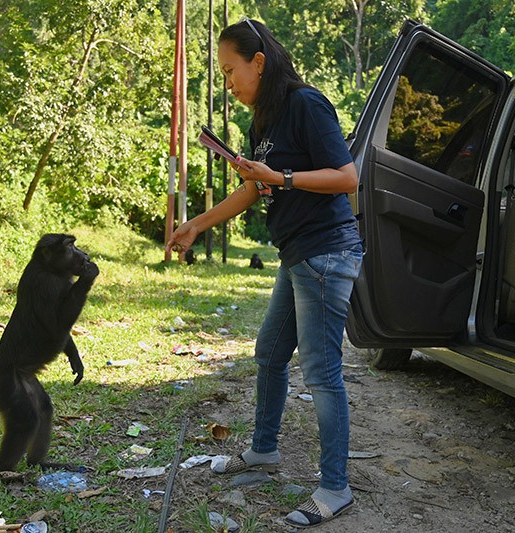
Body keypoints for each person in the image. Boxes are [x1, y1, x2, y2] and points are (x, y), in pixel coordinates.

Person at [166, 18, 363, 528]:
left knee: (321, 373)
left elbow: (347, 177)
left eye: (232, 70)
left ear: (259, 62)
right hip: (297, 254)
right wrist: (196, 225)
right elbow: (254, 189)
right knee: (270, 354)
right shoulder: (263, 120)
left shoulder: (305, 103)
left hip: (326, 254)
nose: (228, 82)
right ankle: (264, 452)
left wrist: (281, 176)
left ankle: (336, 487)